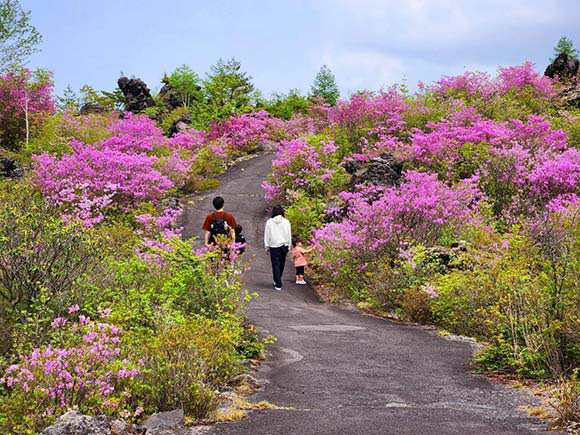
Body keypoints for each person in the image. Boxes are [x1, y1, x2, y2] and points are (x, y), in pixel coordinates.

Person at [264, 205, 291, 291]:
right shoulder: (286, 222)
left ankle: (277, 282)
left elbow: (267, 235)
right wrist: (289, 245)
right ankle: (277, 279)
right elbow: (288, 234)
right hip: (284, 245)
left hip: (274, 246)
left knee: (275, 264)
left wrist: (266, 246)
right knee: (282, 263)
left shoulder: (270, 222)